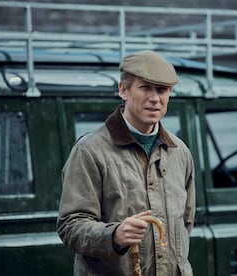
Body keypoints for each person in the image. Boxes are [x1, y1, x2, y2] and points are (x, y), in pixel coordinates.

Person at [57, 50, 196, 276]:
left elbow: (186, 223)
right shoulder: (90, 151)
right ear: (123, 90)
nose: (154, 98)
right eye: (145, 88)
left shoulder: (179, 152)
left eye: (162, 90)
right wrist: (114, 236)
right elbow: (70, 225)